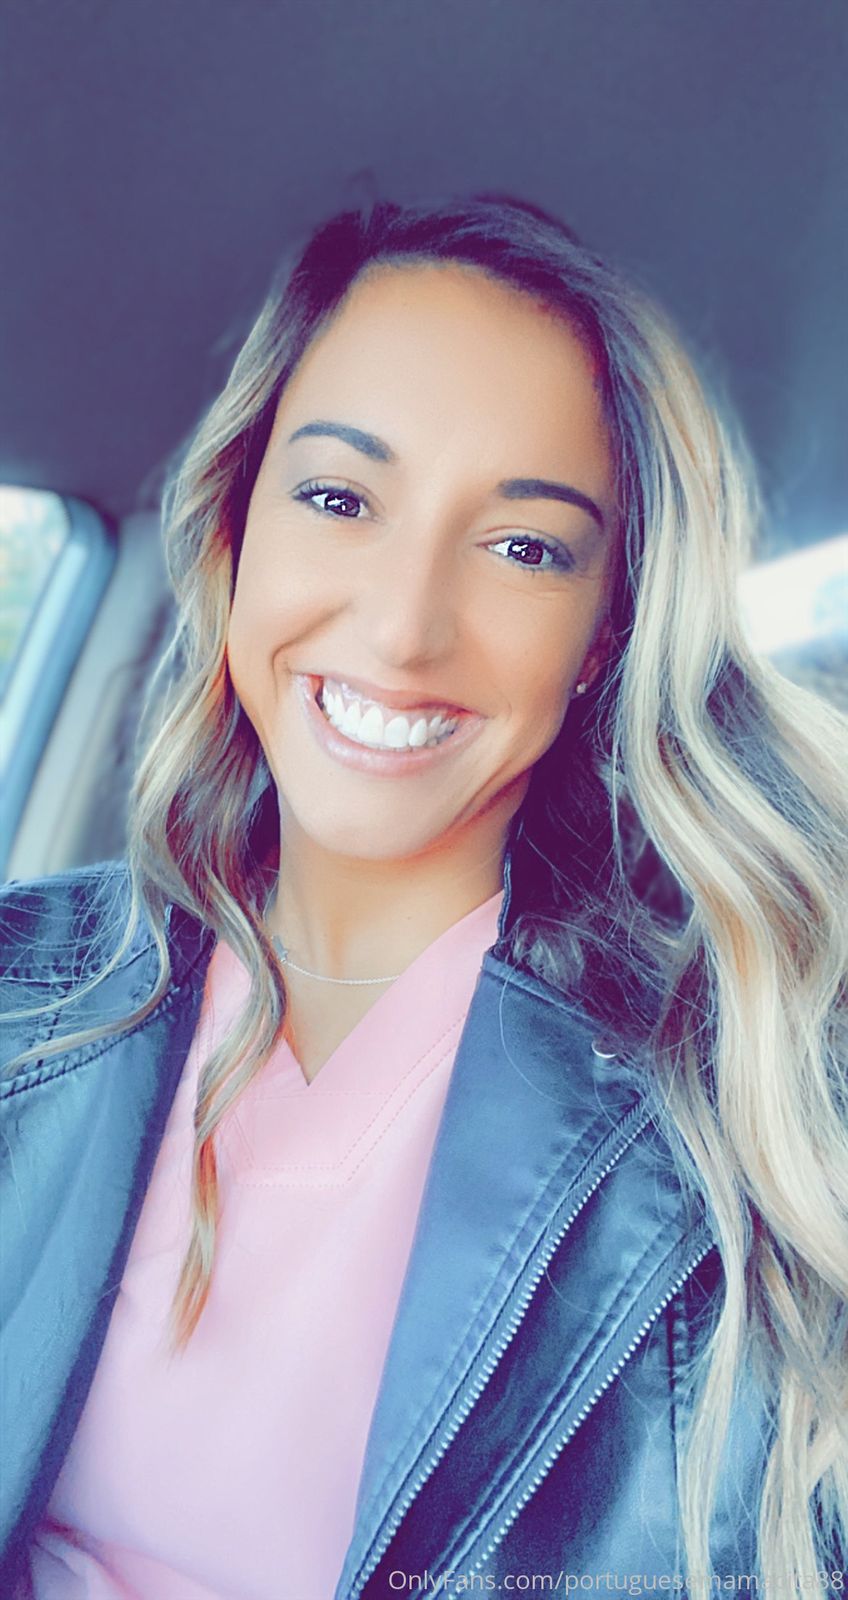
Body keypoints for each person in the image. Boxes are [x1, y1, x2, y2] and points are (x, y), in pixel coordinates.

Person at [1, 192, 846, 1600]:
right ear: (235, 530)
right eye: (340, 501)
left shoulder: (742, 1119)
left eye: (525, 548)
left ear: (604, 632)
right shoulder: (23, 991)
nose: (402, 628)